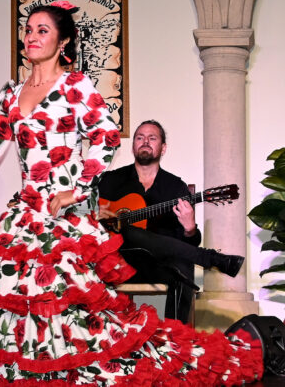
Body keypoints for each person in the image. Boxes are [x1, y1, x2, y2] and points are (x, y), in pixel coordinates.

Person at [0, 3, 262, 385]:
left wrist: (76, 190)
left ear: (63, 40)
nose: (32, 37)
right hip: (26, 218)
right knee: (20, 303)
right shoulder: (9, 96)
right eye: (29, 30)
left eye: (42, 30)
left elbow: (105, 137)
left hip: (65, 220)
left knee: (75, 315)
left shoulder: (75, 87)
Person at [98, 120, 244, 324]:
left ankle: (173, 339)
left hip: (159, 265)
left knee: (180, 269)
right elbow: (86, 211)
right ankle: (211, 259)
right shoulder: (111, 180)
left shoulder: (175, 187)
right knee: (129, 232)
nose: (145, 142)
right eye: (140, 137)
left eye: (152, 138)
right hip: (120, 261)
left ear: (163, 148)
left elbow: (188, 243)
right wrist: (100, 215)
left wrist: (190, 227)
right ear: (133, 146)